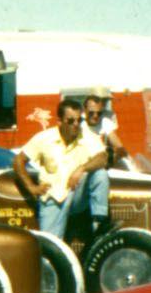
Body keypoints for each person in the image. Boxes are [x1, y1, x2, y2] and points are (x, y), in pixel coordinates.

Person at [14, 99, 110, 239]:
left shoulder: (87, 136)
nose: (76, 124)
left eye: (79, 120)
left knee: (100, 174)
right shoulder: (44, 138)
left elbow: (103, 157)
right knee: (50, 245)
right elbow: (18, 161)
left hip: (77, 195)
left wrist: (82, 168)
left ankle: (99, 224)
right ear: (59, 121)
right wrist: (31, 187)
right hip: (53, 197)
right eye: (70, 121)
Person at [83, 95, 130, 168]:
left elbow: (120, 148)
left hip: (102, 162)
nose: (95, 116)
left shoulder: (105, 122)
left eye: (99, 113)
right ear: (84, 110)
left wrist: (111, 160)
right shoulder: (78, 123)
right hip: (84, 162)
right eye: (91, 113)